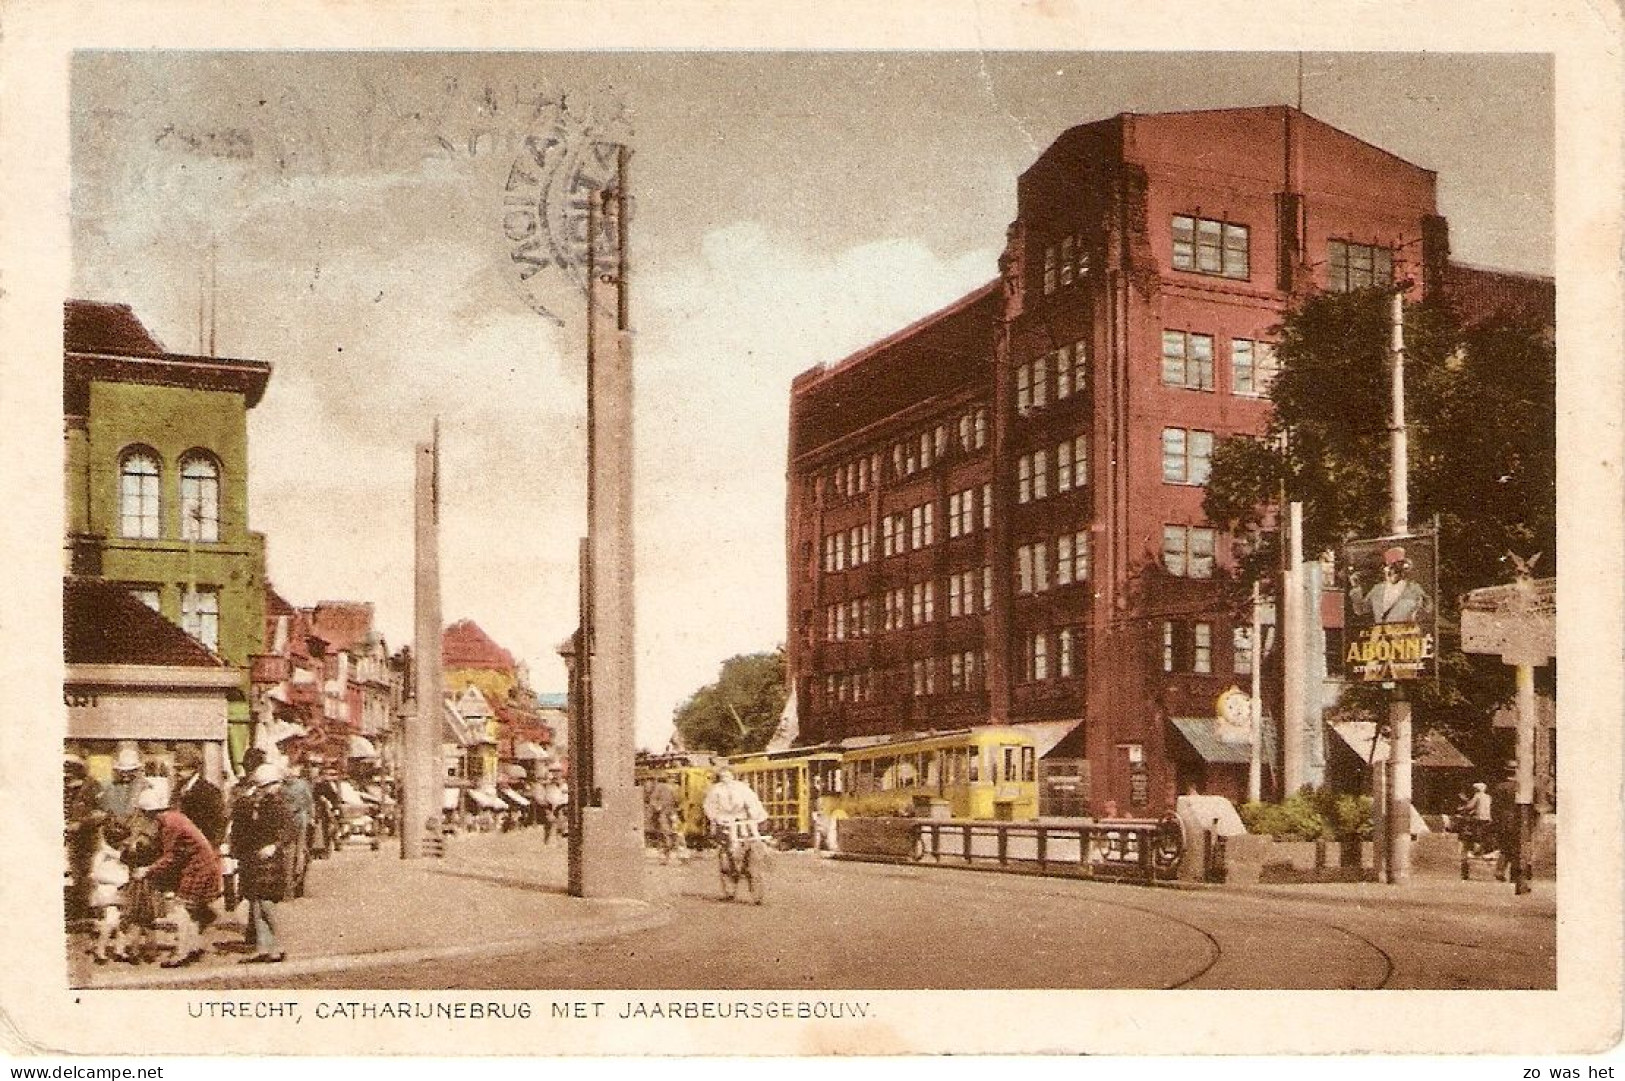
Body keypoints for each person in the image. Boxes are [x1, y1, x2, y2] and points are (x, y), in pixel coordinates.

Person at [133, 777, 222, 968]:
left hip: (199, 867)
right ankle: (192, 947)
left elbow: (171, 856)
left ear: (149, 812)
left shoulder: (170, 824)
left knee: (181, 909)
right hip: (203, 864)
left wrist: (147, 870)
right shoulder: (174, 818)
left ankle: (182, 952)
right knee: (189, 911)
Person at [229, 762, 297, 964]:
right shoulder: (258, 802)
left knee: (266, 903)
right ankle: (264, 947)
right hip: (257, 857)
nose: (266, 790)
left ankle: (278, 945)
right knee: (257, 904)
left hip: (270, 858)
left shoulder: (279, 803)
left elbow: (289, 830)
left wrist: (274, 846)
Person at [86, 819, 132, 964]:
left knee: (122, 922)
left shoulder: (121, 854)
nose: (124, 843)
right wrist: (113, 880)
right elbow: (94, 874)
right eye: (122, 841)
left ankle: (120, 950)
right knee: (110, 922)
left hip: (120, 890)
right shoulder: (103, 854)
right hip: (107, 890)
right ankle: (100, 950)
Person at [1349, 546, 1430, 625]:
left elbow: (1428, 609)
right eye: (1389, 568)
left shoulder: (1413, 588)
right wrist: (1356, 587)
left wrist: (1416, 614)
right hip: (1381, 636)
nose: (1391, 572)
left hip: (1405, 635)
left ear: (1403, 570)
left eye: (1396, 568)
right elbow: (1360, 610)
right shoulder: (1377, 589)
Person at [173, 746, 226, 850]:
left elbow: (218, 823)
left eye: (180, 769)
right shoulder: (178, 789)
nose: (177, 773)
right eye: (176, 768)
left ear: (193, 768)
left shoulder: (208, 791)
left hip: (201, 848)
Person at [702, 765, 769, 839]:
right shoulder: (715, 789)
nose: (725, 779)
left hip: (741, 813)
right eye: (723, 777)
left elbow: (751, 800)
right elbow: (710, 804)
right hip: (724, 814)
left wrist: (753, 812)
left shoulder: (740, 786)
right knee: (731, 828)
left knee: (750, 826)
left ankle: (754, 840)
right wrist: (714, 816)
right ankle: (733, 842)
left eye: (727, 776)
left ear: (732, 776)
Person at [1491, 763, 1523, 888]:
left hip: (1503, 822)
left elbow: (1494, 808)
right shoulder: (1520, 788)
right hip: (1518, 821)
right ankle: (1514, 874)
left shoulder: (1500, 787)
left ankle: (1499, 871)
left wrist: (1495, 822)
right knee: (1517, 848)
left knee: (1504, 847)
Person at [98, 745, 145, 819]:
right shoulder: (109, 786)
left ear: (137, 771)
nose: (125, 775)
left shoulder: (144, 786)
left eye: (130, 772)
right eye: (123, 772)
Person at [646, 776, 680, 862]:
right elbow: (677, 800)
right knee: (673, 831)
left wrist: (658, 808)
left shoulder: (659, 788)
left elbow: (653, 800)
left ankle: (665, 855)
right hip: (672, 812)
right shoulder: (672, 787)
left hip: (664, 813)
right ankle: (672, 853)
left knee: (665, 832)